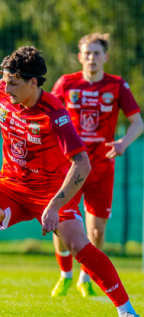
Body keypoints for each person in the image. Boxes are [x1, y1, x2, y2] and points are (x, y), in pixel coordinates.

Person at [0, 46, 141, 317]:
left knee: (80, 245)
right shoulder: (5, 90)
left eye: (14, 84)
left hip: (51, 192)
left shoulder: (54, 113)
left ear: (33, 83)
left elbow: (82, 165)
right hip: (12, 184)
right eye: (5, 81)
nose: (7, 88)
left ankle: (128, 312)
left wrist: (54, 206)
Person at [49, 33, 143, 297]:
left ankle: (84, 278)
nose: (92, 58)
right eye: (87, 53)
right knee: (61, 222)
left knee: (97, 230)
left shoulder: (117, 85)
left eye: (97, 53)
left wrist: (123, 143)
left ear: (106, 57)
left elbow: (138, 123)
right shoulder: (66, 83)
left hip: (103, 167)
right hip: (71, 167)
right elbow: (49, 112)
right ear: (80, 57)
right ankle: (65, 274)